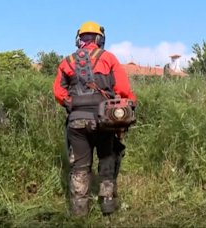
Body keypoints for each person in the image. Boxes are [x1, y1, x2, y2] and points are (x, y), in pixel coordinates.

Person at [52, 21, 137, 216]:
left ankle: (79, 211)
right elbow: (123, 90)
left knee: (80, 166)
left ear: (79, 39)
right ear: (100, 39)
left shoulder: (67, 62)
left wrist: (71, 103)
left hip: (77, 121)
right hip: (104, 121)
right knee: (107, 158)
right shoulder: (108, 58)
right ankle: (107, 205)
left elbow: (58, 92)